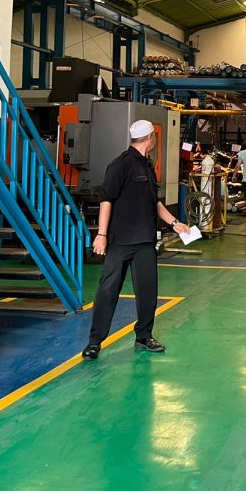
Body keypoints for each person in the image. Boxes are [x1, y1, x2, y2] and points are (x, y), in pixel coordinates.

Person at [82, 119, 190, 360]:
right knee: (108, 291)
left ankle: (144, 336)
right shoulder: (120, 165)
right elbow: (106, 200)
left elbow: (155, 202)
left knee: (148, 292)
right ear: (150, 137)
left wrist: (175, 223)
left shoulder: (147, 165)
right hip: (120, 241)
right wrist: (101, 235)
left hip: (144, 242)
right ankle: (94, 342)